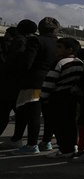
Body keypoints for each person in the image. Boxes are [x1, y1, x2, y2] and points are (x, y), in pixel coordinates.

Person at [10, 17, 60, 154]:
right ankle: (46, 142)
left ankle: (32, 145)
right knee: (48, 114)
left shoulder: (36, 40)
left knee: (34, 114)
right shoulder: (58, 43)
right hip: (52, 81)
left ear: (40, 28)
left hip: (35, 82)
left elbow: (27, 63)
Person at [41, 37, 84, 158]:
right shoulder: (80, 62)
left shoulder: (59, 63)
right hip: (72, 96)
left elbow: (50, 81)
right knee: (70, 123)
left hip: (58, 97)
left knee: (59, 125)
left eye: (59, 47)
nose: (56, 49)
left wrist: (44, 97)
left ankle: (65, 149)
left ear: (69, 49)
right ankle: (71, 146)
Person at [0, 26, 24, 138]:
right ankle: (17, 137)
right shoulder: (25, 44)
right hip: (19, 84)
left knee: (4, 111)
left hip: (7, 84)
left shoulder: (6, 44)